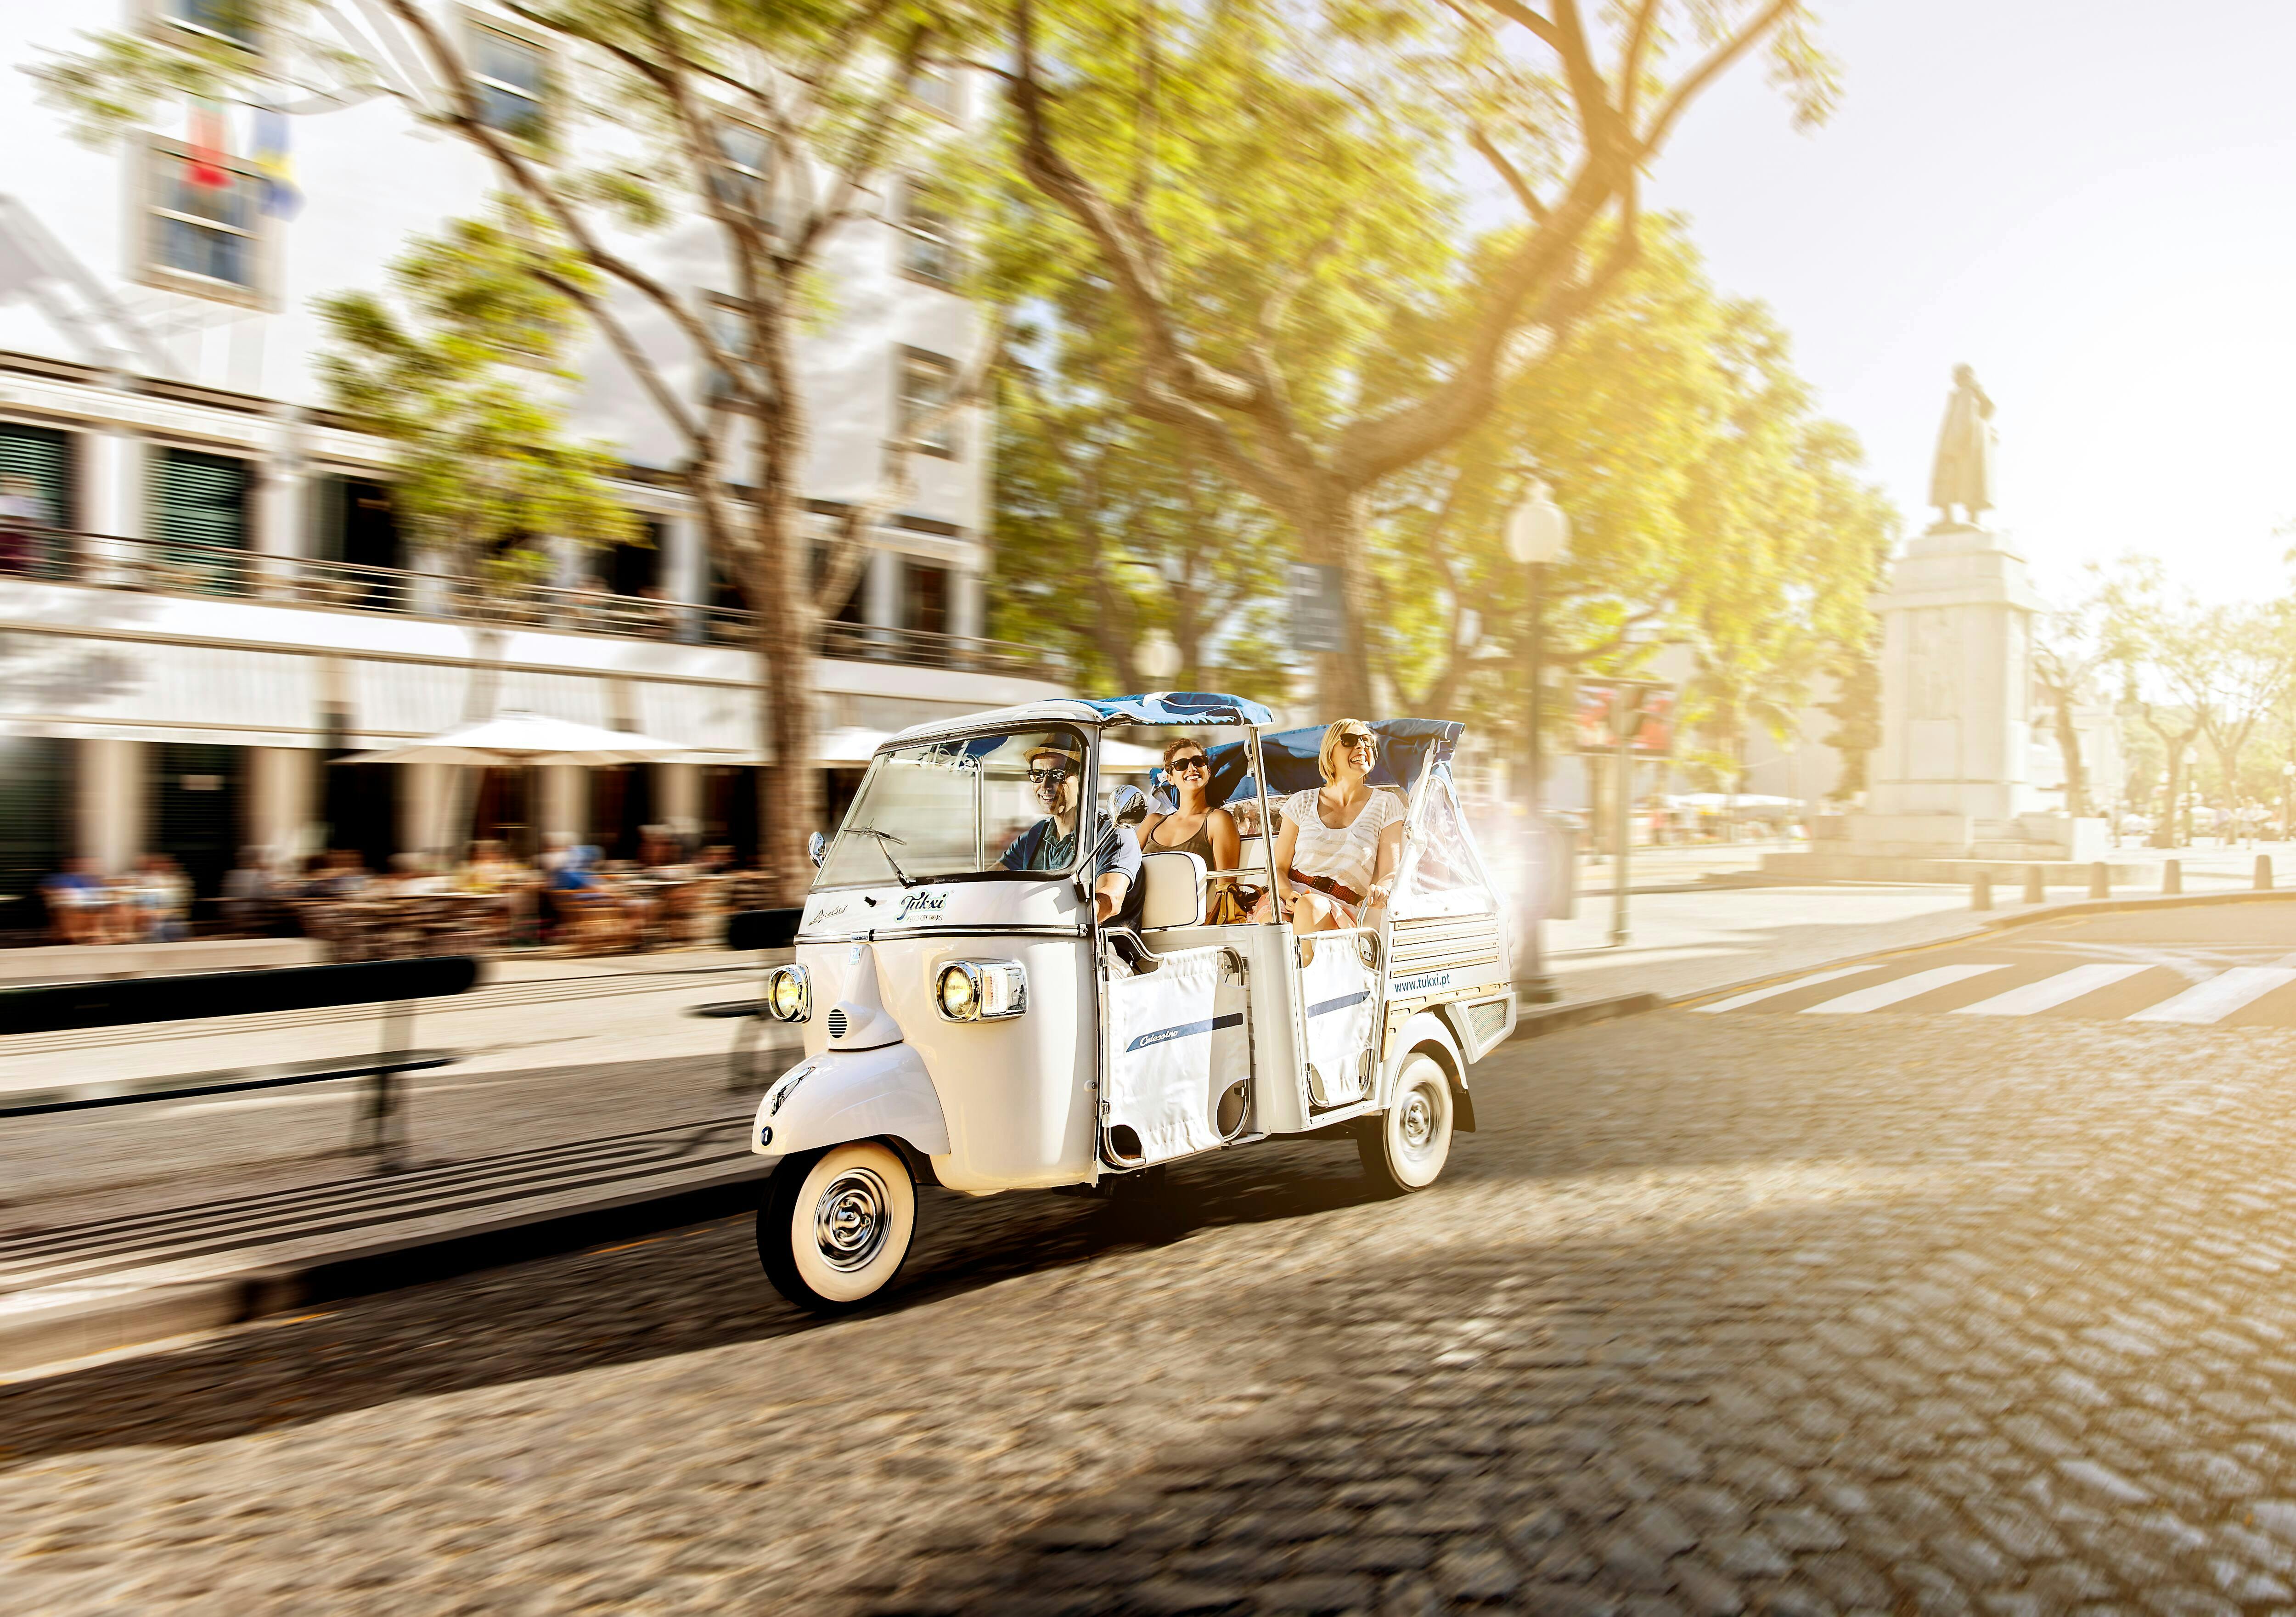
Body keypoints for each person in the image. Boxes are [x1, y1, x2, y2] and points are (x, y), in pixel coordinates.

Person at [1272, 719, 1405, 932]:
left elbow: (1390, 871)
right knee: (1272, 923)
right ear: (1329, 753)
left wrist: (1382, 890)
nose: (1361, 746)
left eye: (1367, 741)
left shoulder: (1387, 805)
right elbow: (1277, 868)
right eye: (1350, 740)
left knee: (1311, 906)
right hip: (1288, 901)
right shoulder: (1302, 802)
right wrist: (1289, 895)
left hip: (1343, 911)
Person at [998, 740, 1140, 925]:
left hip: (1101, 947)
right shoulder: (1033, 837)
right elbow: (991, 883)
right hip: (1033, 940)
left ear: (1084, 778)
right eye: (1038, 775)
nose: (1045, 786)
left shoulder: (1112, 833)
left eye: (1057, 775)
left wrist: (1052, 921)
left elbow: (1110, 902)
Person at [1138, 736, 1245, 923]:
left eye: (1198, 762)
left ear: (1208, 771)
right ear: (1170, 778)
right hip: (1140, 926)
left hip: (1191, 927)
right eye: (1181, 765)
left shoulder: (1218, 820)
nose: (1192, 768)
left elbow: (1226, 890)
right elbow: (1124, 873)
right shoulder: (1151, 823)